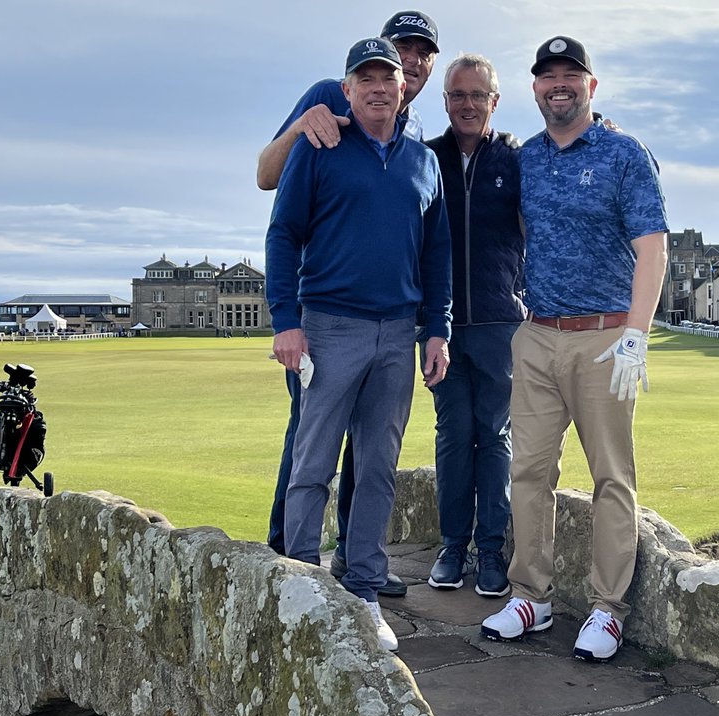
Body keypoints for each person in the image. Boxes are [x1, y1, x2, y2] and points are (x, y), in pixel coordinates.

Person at [481, 36, 668, 662]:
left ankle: (607, 609)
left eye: (570, 75)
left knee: (612, 477)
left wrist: (636, 336)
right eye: (547, 76)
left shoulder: (623, 153)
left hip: (606, 335)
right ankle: (529, 596)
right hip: (537, 335)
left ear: (592, 86)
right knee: (528, 471)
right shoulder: (525, 158)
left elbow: (652, 249)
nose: (558, 84)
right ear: (534, 89)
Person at [266, 36, 452, 652]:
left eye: (388, 79)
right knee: (312, 462)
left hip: (399, 333)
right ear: (346, 89)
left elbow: (437, 255)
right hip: (328, 326)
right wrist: (285, 321)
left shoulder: (422, 162)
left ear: (404, 91)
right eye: (364, 78)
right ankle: (300, 585)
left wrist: (436, 329)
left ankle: (365, 590)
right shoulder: (320, 148)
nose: (377, 88)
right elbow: (284, 233)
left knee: (377, 466)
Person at [422, 54, 524, 596]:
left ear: (494, 101)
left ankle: (490, 553)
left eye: (477, 95)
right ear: (446, 101)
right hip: (439, 327)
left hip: (499, 324)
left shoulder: (516, 159)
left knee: (495, 436)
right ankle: (452, 548)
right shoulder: (426, 157)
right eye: (458, 95)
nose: (467, 104)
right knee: (453, 437)